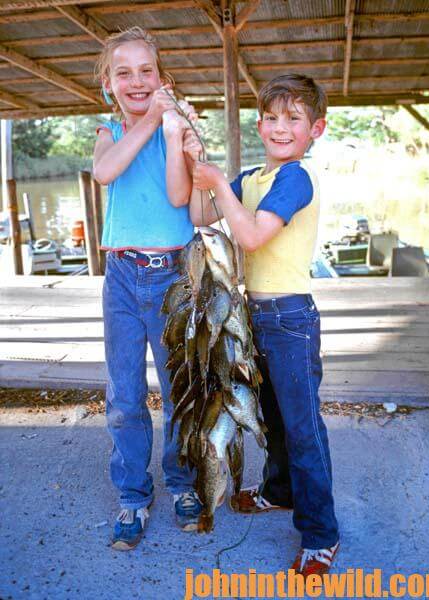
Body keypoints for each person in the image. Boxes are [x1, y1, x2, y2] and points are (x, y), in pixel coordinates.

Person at [183, 74, 340, 576]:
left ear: (316, 128)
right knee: (269, 418)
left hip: (291, 318)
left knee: (302, 428)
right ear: (258, 123)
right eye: (272, 117)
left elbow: (249, 237)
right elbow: (200, 213)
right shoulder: (250, 178)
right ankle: (278, 491)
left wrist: (217, 188)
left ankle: (321, 533)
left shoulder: (296, 178)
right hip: (251, 317)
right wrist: (195, 159)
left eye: (294, 118)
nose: (280, 127)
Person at [93, 27, 202, 550]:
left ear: (163, 79)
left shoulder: (174, 130)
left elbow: (181, 194)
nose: (136, 80)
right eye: (124, 72)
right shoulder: (107, 131)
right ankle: (133, 495)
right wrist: (153, 118)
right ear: (109, 84)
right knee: (124, 396)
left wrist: (177, 132)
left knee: (179, 390)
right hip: (121, 277)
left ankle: (182, 482)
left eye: (147, 71)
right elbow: (106, 172)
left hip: (173, 277)